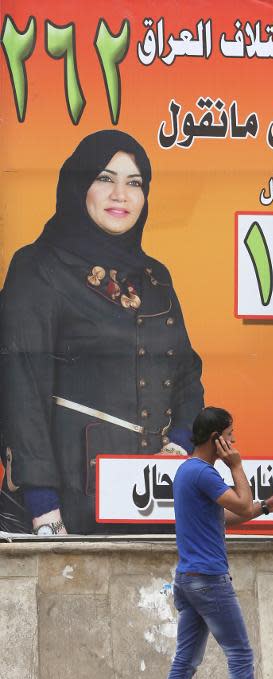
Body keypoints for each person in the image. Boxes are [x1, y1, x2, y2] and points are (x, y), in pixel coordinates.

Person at [0, 130, 204, 535]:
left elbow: (186, 372)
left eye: (134, 183)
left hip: (149, 498)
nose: (120, 195)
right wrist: (43, 505)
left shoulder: (155, 278)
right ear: (79, 185)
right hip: (66, 506)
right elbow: (18, 387)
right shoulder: (38, 268)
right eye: (105, 178)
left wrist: (180, 442)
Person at [157, 406, 273, 679]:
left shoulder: (189, 472)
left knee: (183, 664)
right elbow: (239, 500)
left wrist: (268, 506)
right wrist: (237, 465)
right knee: (240, 656)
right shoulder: (204, 472)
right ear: (216, 439)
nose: (234, 441)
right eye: (230, 434)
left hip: (189, 580)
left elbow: (230, 514)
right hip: (208, 579)